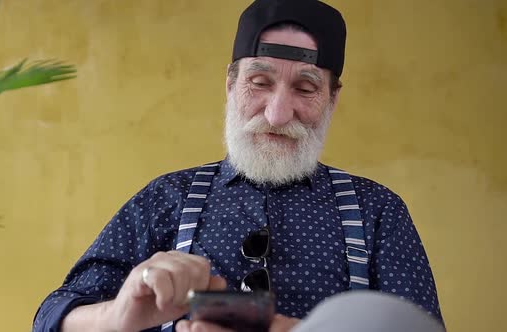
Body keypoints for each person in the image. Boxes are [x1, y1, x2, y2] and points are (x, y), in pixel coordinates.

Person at [33, 1, 444, 331]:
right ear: (231, 86)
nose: (279, 113)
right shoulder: (166, 197)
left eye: (305, 88)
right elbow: (53, 315)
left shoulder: (378, 211)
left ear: (332, 100)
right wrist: (117, 317)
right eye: (260, 82)